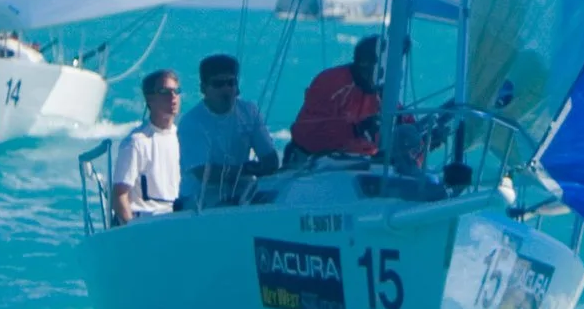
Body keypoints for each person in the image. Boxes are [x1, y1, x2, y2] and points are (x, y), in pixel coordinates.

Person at [178, 53, 280, 205]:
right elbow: (204, 173)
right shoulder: (191, 122)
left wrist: (264, 166)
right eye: (218, 84)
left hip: (242, 192)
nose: (226, 89)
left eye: (230, 83)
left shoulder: (249, 112)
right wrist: (247, 170)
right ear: (203, 88)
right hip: (199, 198)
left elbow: (270, 159)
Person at [290, 36, 385, 159]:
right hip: (311, 160)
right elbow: (310, 132)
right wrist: (359, 128)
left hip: (362, 162)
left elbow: (404, 122)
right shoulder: (331, 82)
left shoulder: (384, 92)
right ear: (363, 63)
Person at [109, 69, 183, 225]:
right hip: (147, 222)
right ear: (150, 98)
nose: (173, 97)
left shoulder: (183, 138)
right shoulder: (136, 142)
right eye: (165, 92)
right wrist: (132, 230)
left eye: (176, 91)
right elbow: (119, 196)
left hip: (178, 218)